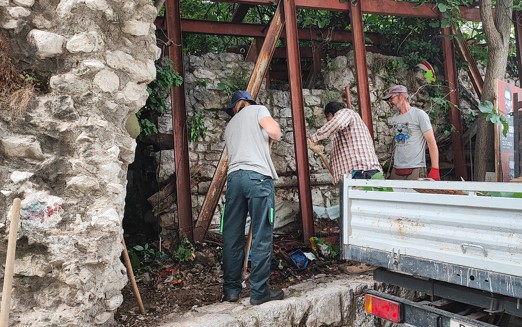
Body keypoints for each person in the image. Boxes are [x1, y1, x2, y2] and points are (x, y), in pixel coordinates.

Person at [221, 90, 284, 306]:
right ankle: (259, 292)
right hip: (257, 178)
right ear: (247, 102)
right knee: (261, 235)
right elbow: (274, 132)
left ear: (234, 107)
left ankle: (231, 289)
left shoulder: (229, 127)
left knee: (232, 236)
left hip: (234, 180)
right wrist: (274, 132)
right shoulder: (258, 109)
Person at [308, 101, 383, 184]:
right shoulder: (343, 137)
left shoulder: (347, 113)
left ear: (331, 114)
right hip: (359, 175)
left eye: (328, 119)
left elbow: (336, 123)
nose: (328, 122)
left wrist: (313, 139)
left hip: (362, 173)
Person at [383, 85, 440, 180]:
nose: (390, 102)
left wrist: (435, 168)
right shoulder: (394, 118)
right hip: (397, 169)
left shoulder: (419, 115)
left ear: (401, 96)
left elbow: (431, 141)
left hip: (416, 168)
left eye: (391, 98)